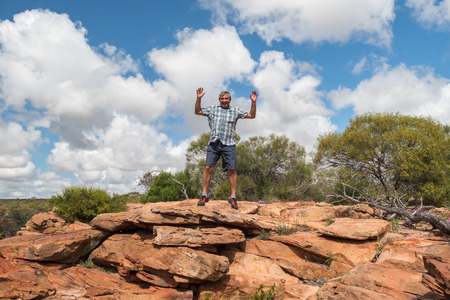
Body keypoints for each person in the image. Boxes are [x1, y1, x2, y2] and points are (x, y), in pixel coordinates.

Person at [195, 87, 258, 209]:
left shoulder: (235, 111)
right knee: (208, 167)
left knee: (232, 170)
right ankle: (204, 194)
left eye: (226, 98)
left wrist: (253, 102)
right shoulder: (213, 109)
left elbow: (251, 115)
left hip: (229, 144)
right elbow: (197, 111)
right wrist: (198, 99)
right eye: (222, 98)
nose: (224, 100)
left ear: (230, 100)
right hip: (214, 143)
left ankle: (233, 197)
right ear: (219, 99)